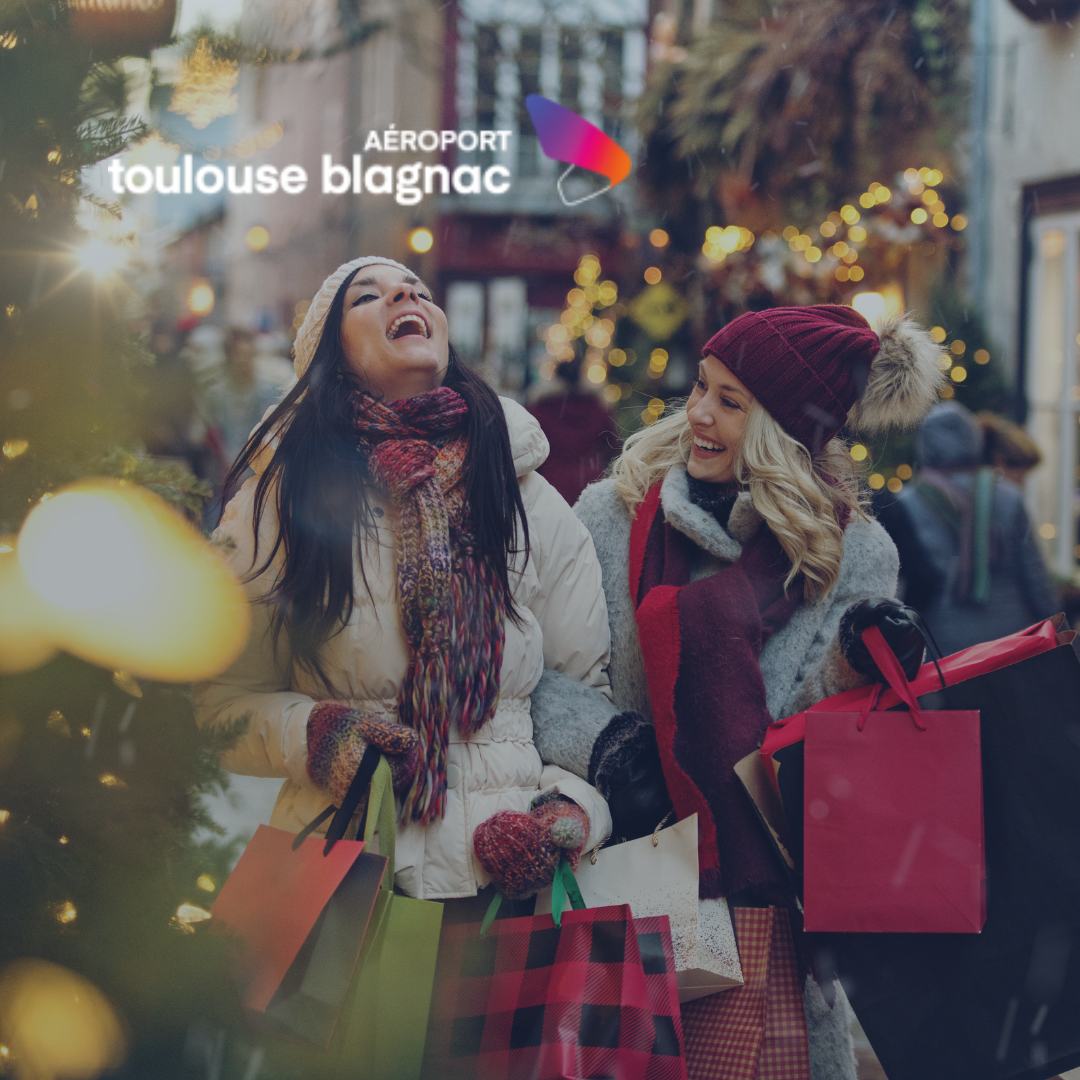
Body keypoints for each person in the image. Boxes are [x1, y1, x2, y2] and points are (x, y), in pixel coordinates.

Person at [530, 305, 946, 1079]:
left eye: (731, 401)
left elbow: (817, 745)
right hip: (623, 876)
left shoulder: (854, 553)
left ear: (783, 429)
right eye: (701, 388)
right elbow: (538, 673)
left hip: (768, 910)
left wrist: (854, 671)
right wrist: (612, 748)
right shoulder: (612, 516)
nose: (697, 414)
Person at [193, 256, 612, 907]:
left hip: (505, 897)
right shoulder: (282, 498)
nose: (404, 295)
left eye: (417, 290)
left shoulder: (524, 492)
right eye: (368, 296)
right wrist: (318, 736)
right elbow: (219, 701)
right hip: (343, 880)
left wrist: (567, 814)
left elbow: (585, 701)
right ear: (329, 354)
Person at [889, 401, 1058, 655]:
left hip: (940, 644)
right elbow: (1035, 580)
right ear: (974, 439)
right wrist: (1058, 635)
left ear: (924, 444)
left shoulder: (906, 503)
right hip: (1011, 641)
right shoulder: (1009, 497)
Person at [527, 354, 620, 505]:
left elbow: (528, 448)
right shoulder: (597, 407)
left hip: (552, 482)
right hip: (590, 483)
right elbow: (612, 446)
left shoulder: (541, 408)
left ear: (556, 376)